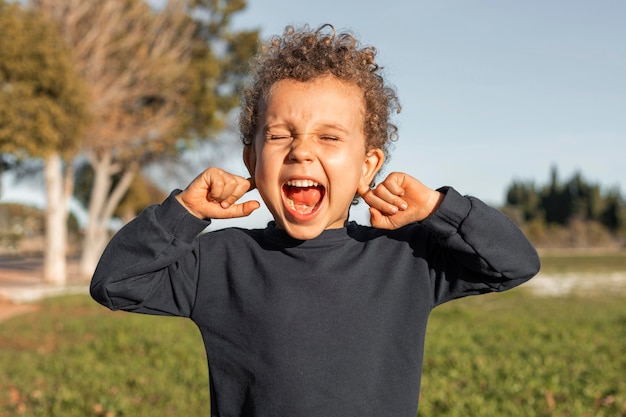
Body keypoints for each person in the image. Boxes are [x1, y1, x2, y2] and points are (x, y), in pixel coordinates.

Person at [91, 24, 540, 417]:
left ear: (368, 166)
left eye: (328, 137)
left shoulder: (406, 257)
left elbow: (514, 262)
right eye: (280, 135)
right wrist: (183, 213)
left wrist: (439, 210)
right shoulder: (220, 262)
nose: (301, 151)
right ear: (252, 160)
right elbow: (114, 283)